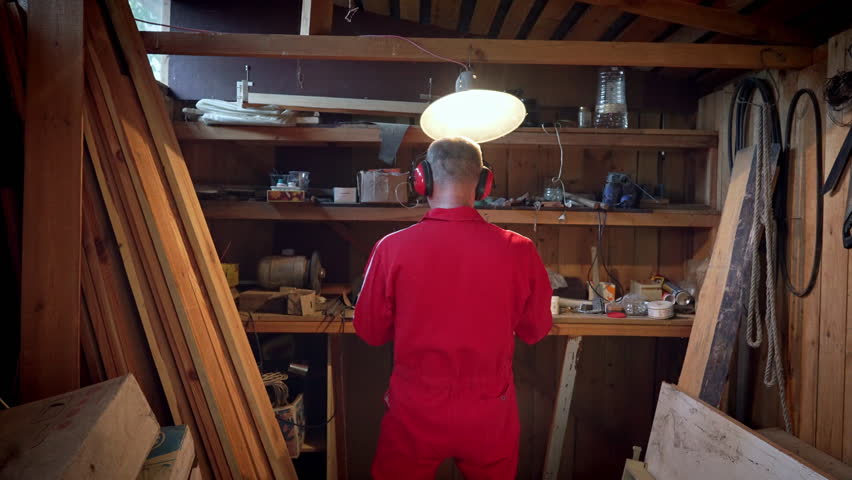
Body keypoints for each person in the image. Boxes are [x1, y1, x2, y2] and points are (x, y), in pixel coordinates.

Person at [354, 136, 553, 480]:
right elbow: (535, 331)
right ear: (484, 183)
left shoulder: (390, 249)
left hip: (415, 407)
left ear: (422, 178)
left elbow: (371, 332)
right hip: (490, 409)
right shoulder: (520, 250)